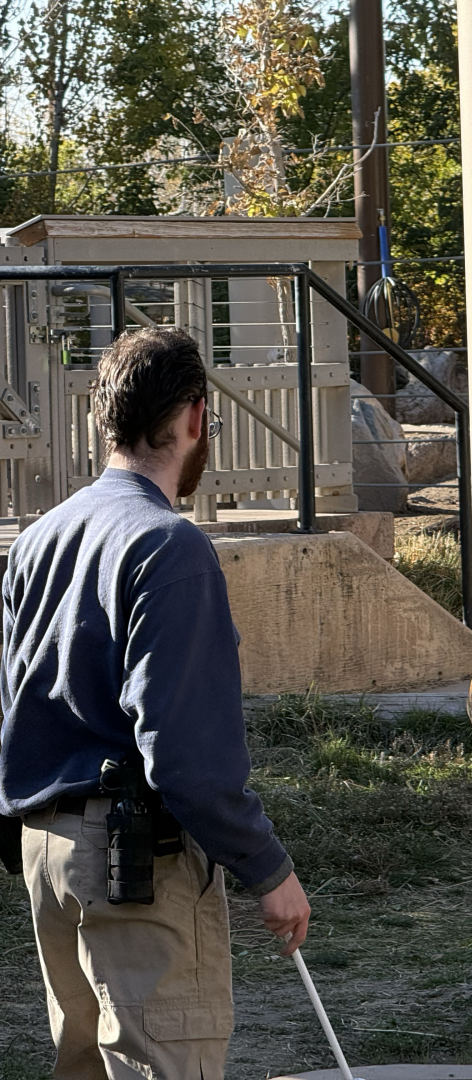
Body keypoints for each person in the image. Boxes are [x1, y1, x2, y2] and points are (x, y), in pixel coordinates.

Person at [0, 326, 310, 1079]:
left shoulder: (37, 541)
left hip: (47, 854)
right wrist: (268, 869)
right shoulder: (169, 547)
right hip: (135, 862)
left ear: (102, 421)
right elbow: (185, 754)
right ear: (196, 418)